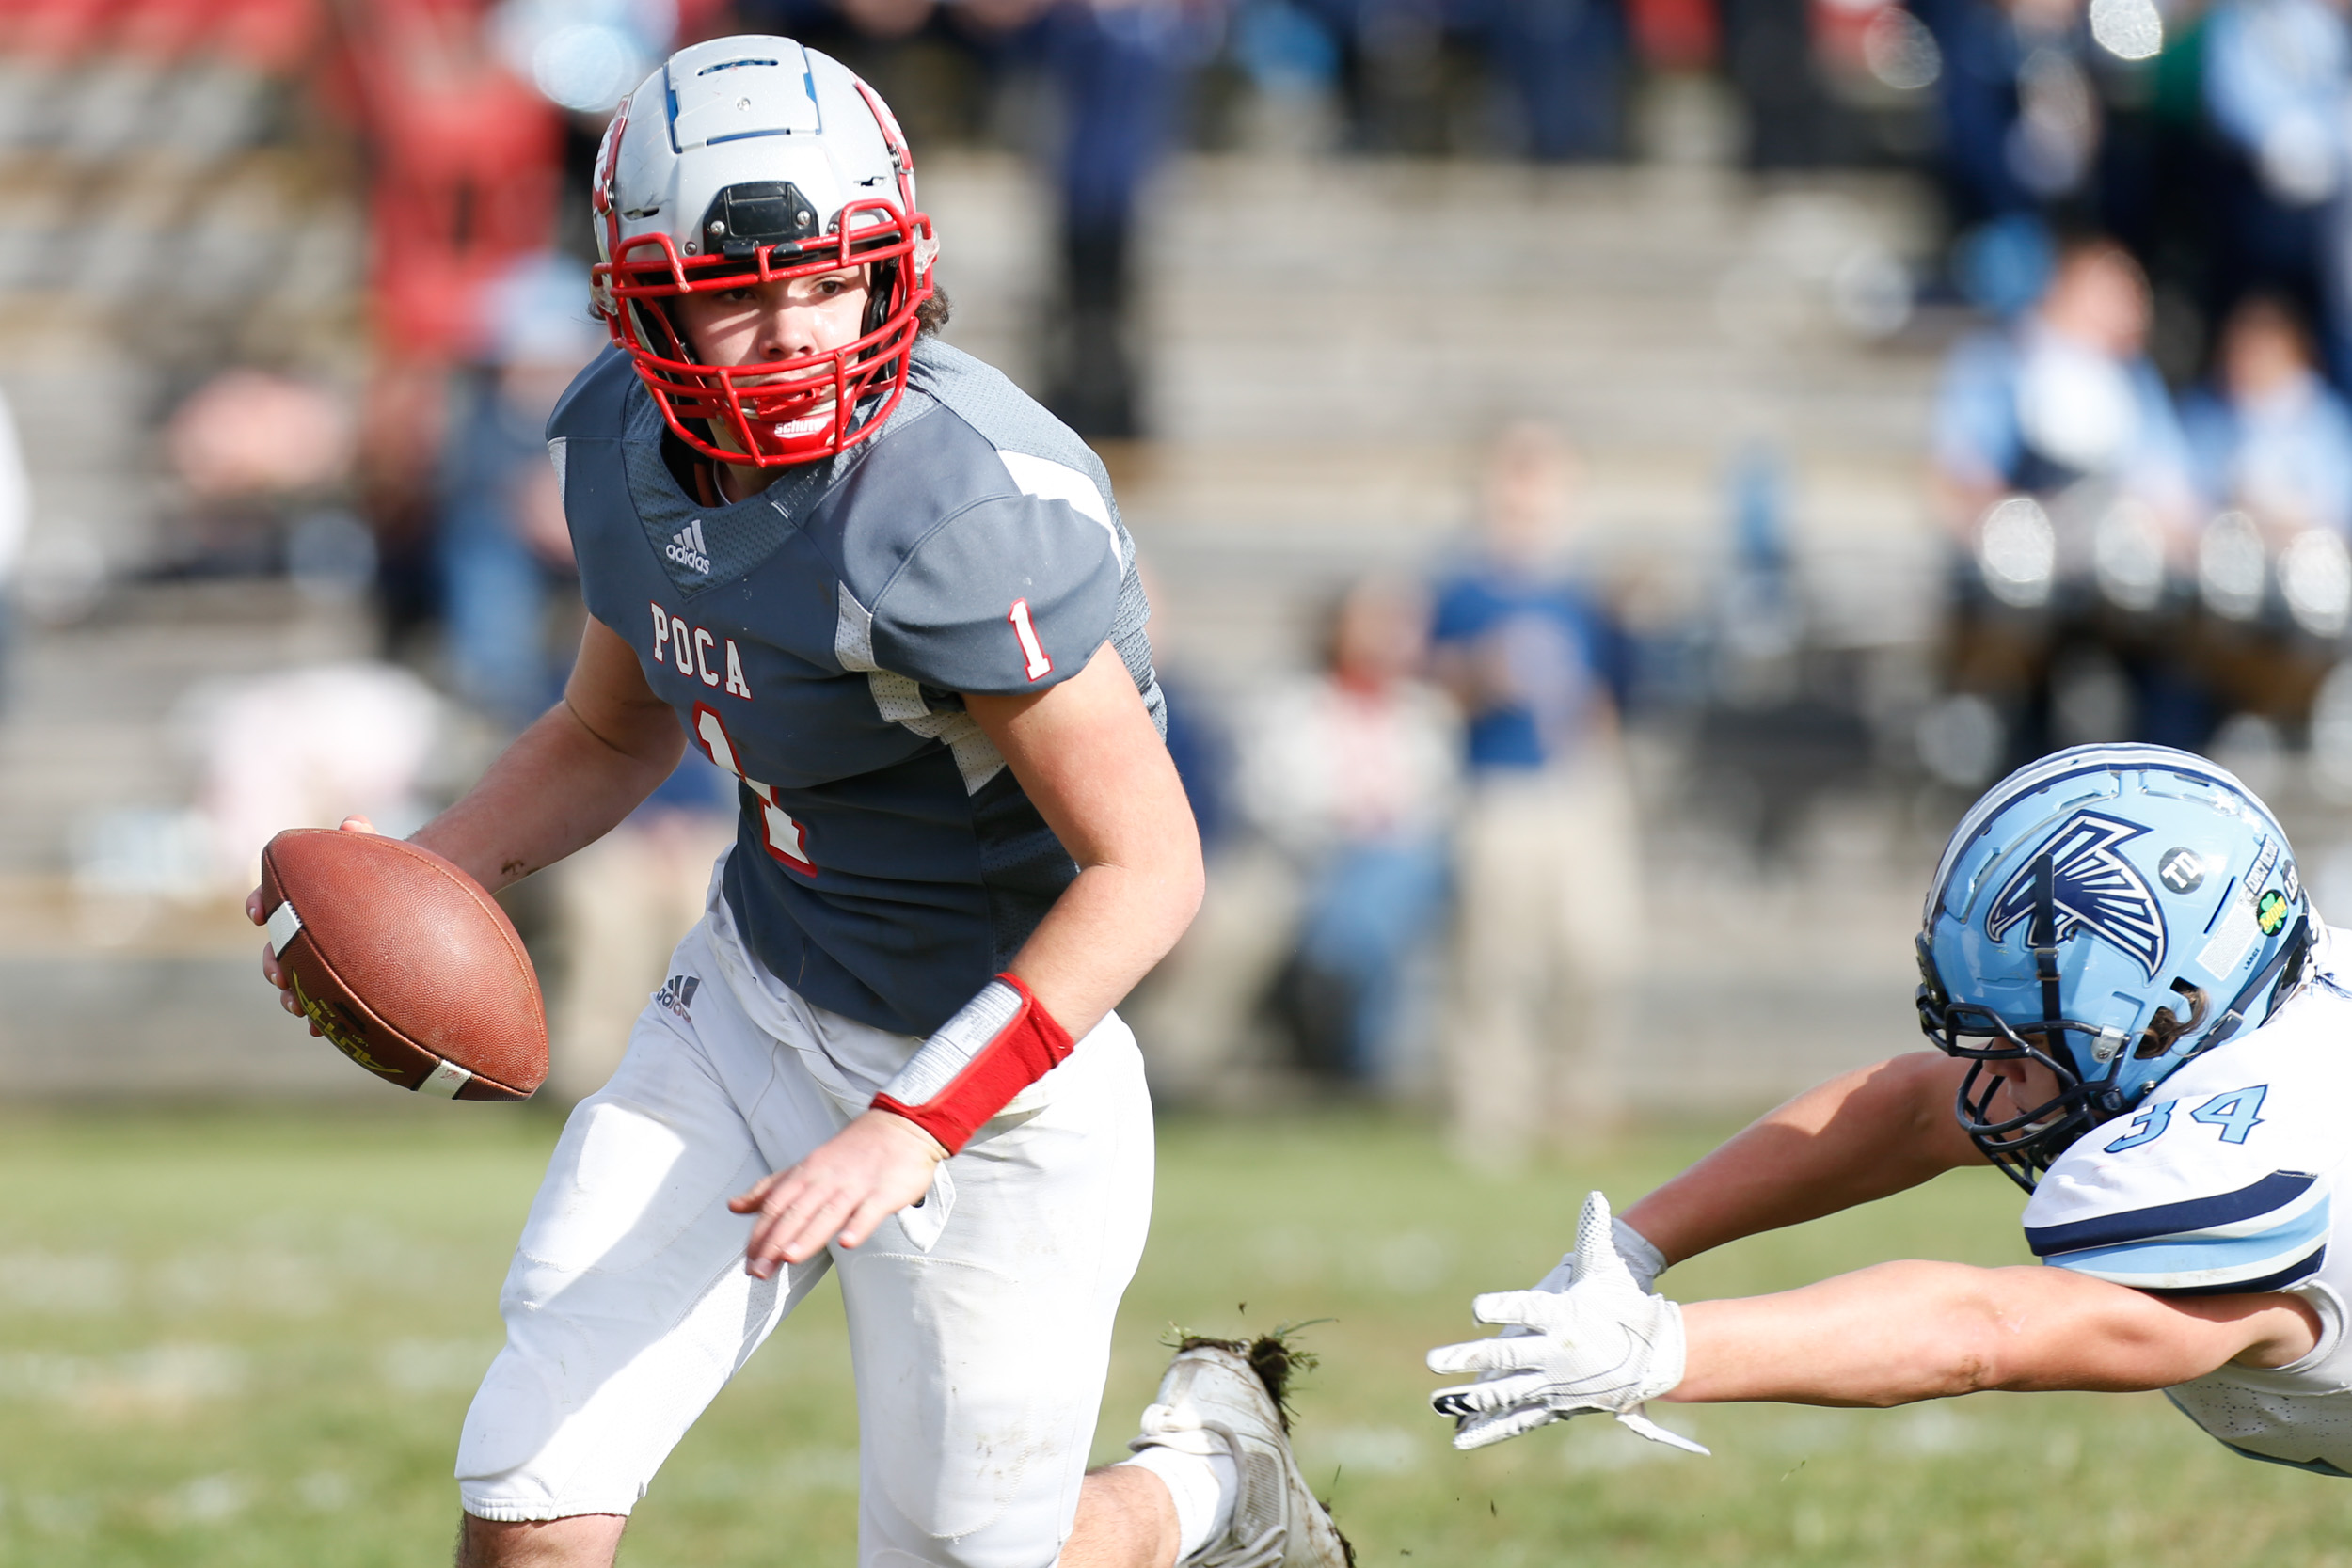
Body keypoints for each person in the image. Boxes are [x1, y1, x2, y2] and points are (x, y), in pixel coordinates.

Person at [250, 36, 1346, 1568]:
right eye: (737, 295)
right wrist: (425, 877)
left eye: (829, 284)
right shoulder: (624, 442)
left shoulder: (960, 504)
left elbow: (1151, 865)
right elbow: (607, 729)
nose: (789, 336)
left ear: (898, 266)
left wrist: (915, 1121)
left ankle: (1207, 1482)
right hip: (754, 1003)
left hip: (999, 1079)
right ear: (641, 297)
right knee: (532, 1480)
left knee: (977, 1558)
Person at [1425, 742, 2352, 1484]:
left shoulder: (2259, 1149)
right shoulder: (2255, 1001)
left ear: (2170, 1004)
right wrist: (1631, 1246)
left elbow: (1982, 1330)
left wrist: (1663, 1349)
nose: (1990, 1073)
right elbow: (1909, 1106)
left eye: (2027, 1038)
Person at [1428, 422, 1639, 1164]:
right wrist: (1484, 675)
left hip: (1576, 782)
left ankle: (1579, 1102)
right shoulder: (1463, 587)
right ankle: (1493, 1114)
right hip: (1500, 784)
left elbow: (1614, 690)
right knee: (1496, 959)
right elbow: (1436, 680)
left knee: (1597, 951)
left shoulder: (1584, 589)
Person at [1233, 574, 1458, 1085]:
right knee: (1354, 921)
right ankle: (1347, 1058)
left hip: (1399, 861)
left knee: (1370, 909)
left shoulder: (1424, 712)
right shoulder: (1289, 705)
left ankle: (1347, 1050)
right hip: (1315, 855)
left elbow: (1435, 801)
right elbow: (1269, 793)